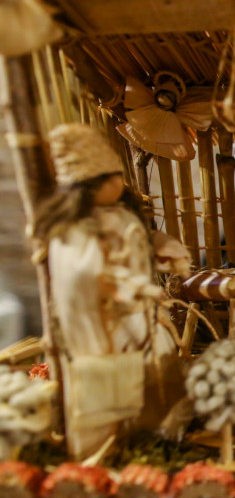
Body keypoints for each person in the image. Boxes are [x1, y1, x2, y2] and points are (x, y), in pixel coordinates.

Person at [32, 124, 188, 460]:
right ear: (88, 187)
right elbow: (84, 271)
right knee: (109, 385)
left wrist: (163, 248)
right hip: (105, 321)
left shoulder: (120, 215)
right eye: (110, 179)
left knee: (158, 371)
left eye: (118, 177)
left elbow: (141, 243)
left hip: (140, 316)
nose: (119, 184)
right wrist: (128, 285)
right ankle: (107, 447)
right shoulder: (73, 229)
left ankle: (159, 435)